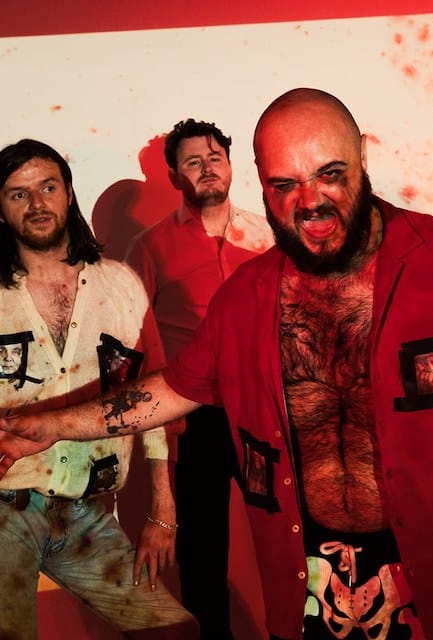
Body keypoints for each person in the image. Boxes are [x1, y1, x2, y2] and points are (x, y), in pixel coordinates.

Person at [1, 90, 433, 640]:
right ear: (260, 180)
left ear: (362, 154)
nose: (309, 202)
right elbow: (171, 389)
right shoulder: (246, 296)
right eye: (284, 185)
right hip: (307, 590)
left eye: (329, 174)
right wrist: (52, 425)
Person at [0, 138, 198, 639]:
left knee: (174, 631)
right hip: (5, 512)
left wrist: (162, 510)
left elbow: (154, 400)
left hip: (87, 514)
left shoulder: (121, 285)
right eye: (18, 194)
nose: (37, 203)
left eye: (48, 188)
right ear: (0, 210)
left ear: (69, 193)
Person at [124, 118, 273, 639]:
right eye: (193, 162)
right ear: (174, 176)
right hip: (192, 420)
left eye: (215, 158)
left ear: (230, 166)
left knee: (289, 538)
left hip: (264, 412)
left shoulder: (268, 235)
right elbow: (134, 342)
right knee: (203, 553)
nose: (207, 169)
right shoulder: (149, 247)